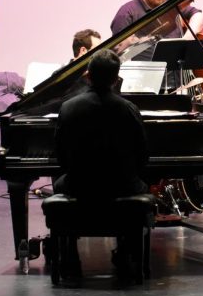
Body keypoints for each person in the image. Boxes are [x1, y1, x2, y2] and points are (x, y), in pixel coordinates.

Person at [54, 49, 149, 280]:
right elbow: (142, 156)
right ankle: (127, 249)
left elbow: (61, 157)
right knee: (142, 184)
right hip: (123, 186)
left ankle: (70, 254)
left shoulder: (68, 108)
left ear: (87, 76)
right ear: (117, 79)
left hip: (79, 185)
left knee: (58, 183)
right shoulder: (129, 109)